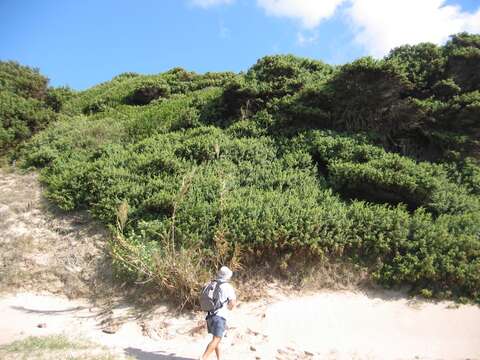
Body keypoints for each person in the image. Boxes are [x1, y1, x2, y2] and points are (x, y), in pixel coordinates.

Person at [200, 266, 236, 360]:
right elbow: (232, 303)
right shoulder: (227, 287)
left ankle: (219, 358)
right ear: (227, 276)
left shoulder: (211, 284)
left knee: (216, 339)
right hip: (219, 316)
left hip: (209, 316)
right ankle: (203, 358)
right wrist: (228, 308)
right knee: (217, 339)